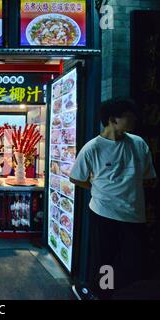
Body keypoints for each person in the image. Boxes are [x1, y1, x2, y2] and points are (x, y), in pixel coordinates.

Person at [69, 98, 157, 300]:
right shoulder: (93, 148)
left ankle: (117, 292)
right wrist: (97, 189)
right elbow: (76, 177)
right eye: (129, 116)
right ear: (112, 120)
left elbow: (148, 177)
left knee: (134, 260)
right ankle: (100, 293)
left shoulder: (138, 143)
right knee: (105, 258)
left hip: (135, 213)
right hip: (104, 212)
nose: (134, 119)